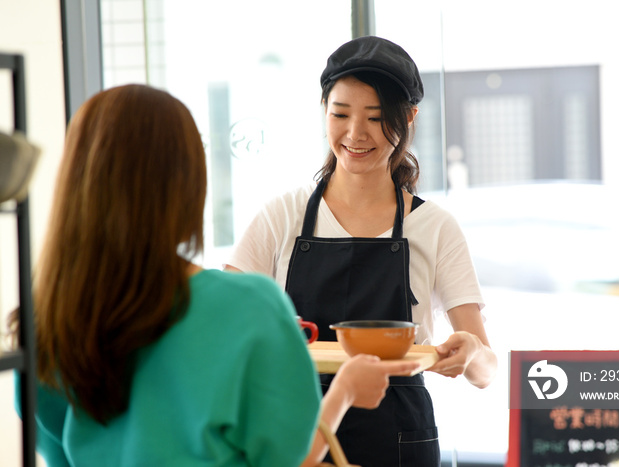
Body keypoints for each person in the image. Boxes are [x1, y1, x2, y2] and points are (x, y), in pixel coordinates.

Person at [10, 84, 420, 467]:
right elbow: (293, 455)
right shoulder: (247, 306)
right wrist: (345, 389)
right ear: (187, 186)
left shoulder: (46, 320)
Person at [225, 36, 498, 466]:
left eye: (375, 117)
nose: (355, 133)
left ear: (409, 118)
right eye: (340, 114)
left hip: (400, 437)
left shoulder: (435, 226)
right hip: (298, 432)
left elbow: (487, 370)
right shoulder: (283, 215)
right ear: (323, 111)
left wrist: (470, 355)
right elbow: (225, 322)